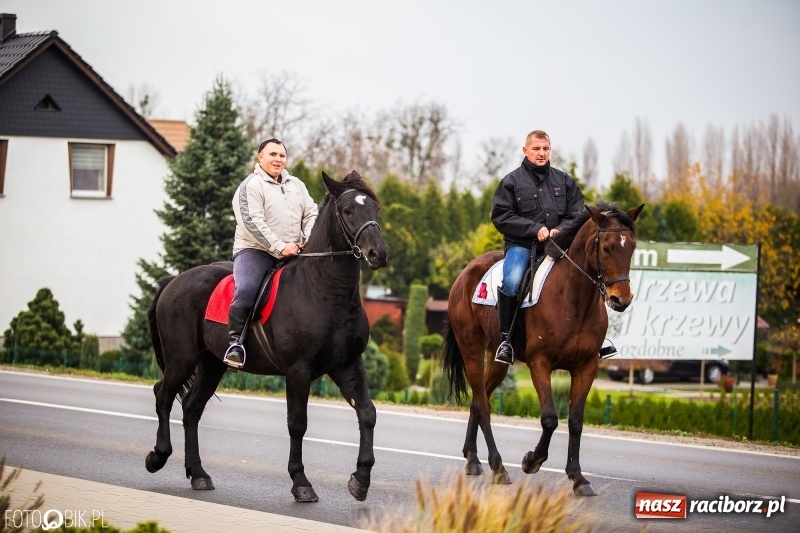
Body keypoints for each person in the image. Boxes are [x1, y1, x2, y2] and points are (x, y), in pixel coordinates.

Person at [490, 130, 585, 365]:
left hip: (558, 246)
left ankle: (596, 338)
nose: (541, 153)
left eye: (545, 149)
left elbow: (578, 213)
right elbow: (501, 216)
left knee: (587, 274)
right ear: (525, 151)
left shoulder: (564, 181)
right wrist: (534, 229)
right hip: (522, 246)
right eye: (536, 149)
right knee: (511, 282)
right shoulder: (511, 182)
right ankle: (506, 341)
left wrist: (560, 230)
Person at [223, 138, 319, 371]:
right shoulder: (251, 186)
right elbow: (251, 222)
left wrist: (308, 236)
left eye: (282, 156)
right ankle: (235, 344)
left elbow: (311, 212)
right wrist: (279, 247)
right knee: (247, 288)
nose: (278, 160)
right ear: (260, 157)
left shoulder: (297, 185)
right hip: (255, 251)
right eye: (272, 154)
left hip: (294, 251)